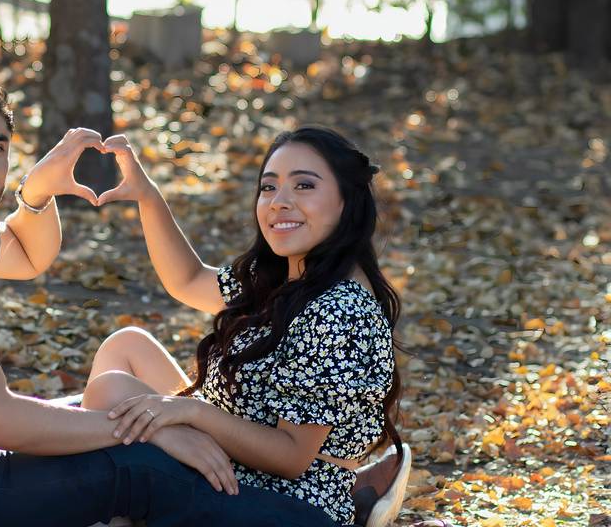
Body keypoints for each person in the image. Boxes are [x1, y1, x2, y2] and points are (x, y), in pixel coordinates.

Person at [0, 68, 348, 527]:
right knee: (139, 463)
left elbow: (25, 252)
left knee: (113, 404)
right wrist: (153, 429)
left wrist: (37, 189)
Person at [81, 127, 407, 527]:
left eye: (304, 185)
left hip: (283, 501)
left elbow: (290, 458)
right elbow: (186, 280)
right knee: (127, 347)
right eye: (268, 188)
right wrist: (148, 196)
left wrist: (189, 415)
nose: (279, 202)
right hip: (233, 459)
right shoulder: (285, 277)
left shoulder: (339, 309)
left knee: (112, 394)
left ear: (347, 201)